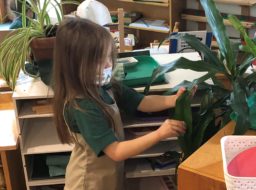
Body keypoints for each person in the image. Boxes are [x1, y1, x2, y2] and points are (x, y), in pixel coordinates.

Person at [52, 18, 187, 190]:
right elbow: (115, 151)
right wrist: (160, 134)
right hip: (88, 181)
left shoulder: (106, 86)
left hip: (108, 174)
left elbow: (143, 102)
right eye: (100, 59)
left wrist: (172, 100)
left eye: (108, 55)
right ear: (76, 65)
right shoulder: (83, 105)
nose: (109, 63)